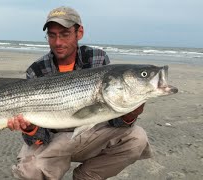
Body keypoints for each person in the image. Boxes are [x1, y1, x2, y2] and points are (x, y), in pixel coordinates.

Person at [8, 6, 152, 180]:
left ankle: (86, 176)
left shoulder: (97, 59)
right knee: (30, 171)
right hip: (54, 138)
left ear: (79, 32)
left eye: (65, 34)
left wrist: (129, 115)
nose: (58, 42)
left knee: (137, 138)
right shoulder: (37, 70)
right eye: (52, 35)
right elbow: (39, 138)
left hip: (92, 133)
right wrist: (30, 128)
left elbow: (112, 120)